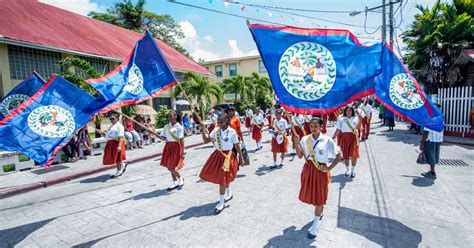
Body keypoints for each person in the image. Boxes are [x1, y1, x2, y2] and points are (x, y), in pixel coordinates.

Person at [293, 117, 342, 239]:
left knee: (320, 198)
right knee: (313, 196)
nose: (313, 128)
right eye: (311, 126)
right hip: (308, 170)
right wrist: (296, 143)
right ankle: (319, 212)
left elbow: (339, 155)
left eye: (316, 126)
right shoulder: (305, 139)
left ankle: (315, 226)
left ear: (321, 127)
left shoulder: (327, 140)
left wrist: (329, 169)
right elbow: (300, 156)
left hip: (321, 172)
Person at [199, 113, 244, 214]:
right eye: (218, 121)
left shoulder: (232, 131)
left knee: (222, 179)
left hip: (228, 157)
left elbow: (236, 146)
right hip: (218, 156)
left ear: (226, 121)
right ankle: (229, 193)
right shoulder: (216, 130)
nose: (219, 123)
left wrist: (241, 158)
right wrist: (203, 129)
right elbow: (206, 140)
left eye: (221, 121)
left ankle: (221, 202)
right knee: (223, 178)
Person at [158, 110, 185, 191]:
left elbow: (181, 140)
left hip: (176, 147)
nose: (169, 117)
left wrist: (182, 152)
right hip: (168, 146)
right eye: (168, 116)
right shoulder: (167, 126)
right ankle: (175, 182)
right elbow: (163, 137)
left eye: (171, 116)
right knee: (169, 165)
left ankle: (180, 178)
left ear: (175, 116)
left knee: (171, 167)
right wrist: (154, 134)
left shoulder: (179, 127)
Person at [332, 106, 361, 178]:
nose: (348, 112)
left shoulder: (356, 118)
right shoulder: (342, 119)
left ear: (352, 111)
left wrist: (360, 119)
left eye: (350, 110)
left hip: (353, 137)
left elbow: (357, 128)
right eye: (347, 110)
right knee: (345, 155)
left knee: (354, 155)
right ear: (345, 111)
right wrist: (333, 138)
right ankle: (348, 170)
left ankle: (353, 170)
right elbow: (338, 130)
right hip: (344, 138)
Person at [102, 113, 127, 178]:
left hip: (117, 142)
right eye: (110, 119)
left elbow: (120, 136)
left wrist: (119, 146)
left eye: (113, 118)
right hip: (111, 143)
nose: (111, 120)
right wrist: (103, 133)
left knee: (118, 157)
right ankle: (123, 165)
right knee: (114, 157)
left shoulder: (119, 126)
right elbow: (110, 135)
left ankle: (119, 171)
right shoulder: (112, 126)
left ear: (117, 118)